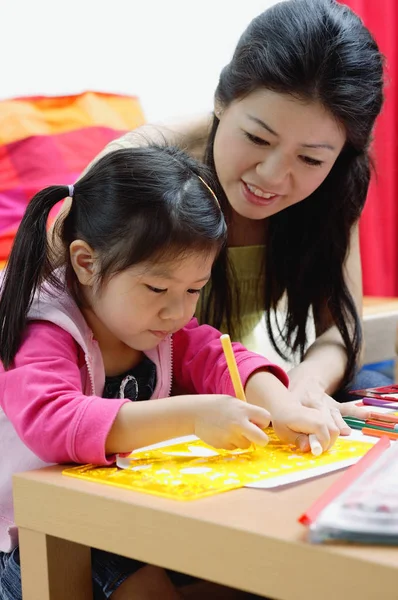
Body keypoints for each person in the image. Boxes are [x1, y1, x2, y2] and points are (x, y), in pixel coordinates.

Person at [0, 145, 340, 599]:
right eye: (158, 287)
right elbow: (55, 421)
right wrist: (194, 415)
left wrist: (280, 406)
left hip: (114, 515)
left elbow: (218, 356)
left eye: (194, 289)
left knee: (255, 569)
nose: (177, 311)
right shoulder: (41, 325)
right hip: (31, 538)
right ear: (86, 263)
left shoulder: (152, 320)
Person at [60, 0, 388, 429]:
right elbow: (38, 311)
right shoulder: (141, 166)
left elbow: (340, 331)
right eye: (256, 137)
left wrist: (305, 383)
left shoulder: (334, 188)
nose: (272, 176)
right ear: (221, 100)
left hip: (226, 395)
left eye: (310, 159)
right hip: (117, 407)